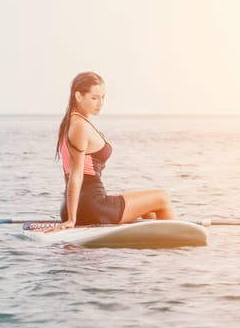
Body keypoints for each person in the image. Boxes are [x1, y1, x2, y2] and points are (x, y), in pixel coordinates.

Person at [48, 71, 175, 231]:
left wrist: (70, 213)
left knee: (148, 208)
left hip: (76, 205)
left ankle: (149, 244)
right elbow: (76, 174)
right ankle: (175, 247)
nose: (100, 103)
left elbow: (69, 173)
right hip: (92, 206)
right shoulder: (80, 126)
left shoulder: (69, 123)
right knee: (162, 197)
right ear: (78, 96)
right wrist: (72, 220)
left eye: (103, 97)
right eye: (94, 98)